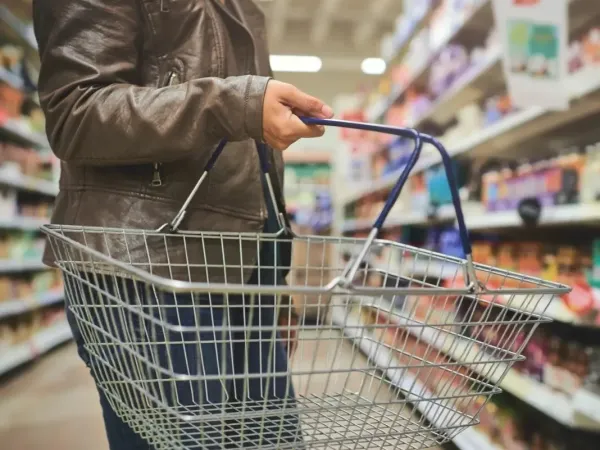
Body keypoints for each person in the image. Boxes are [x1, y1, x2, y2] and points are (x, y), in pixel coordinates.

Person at [32, 0, 333, 448]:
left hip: (248, 271)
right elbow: (74, 112)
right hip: (151, 265)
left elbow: (256, 158)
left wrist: (276, 279)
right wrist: (235, 103)